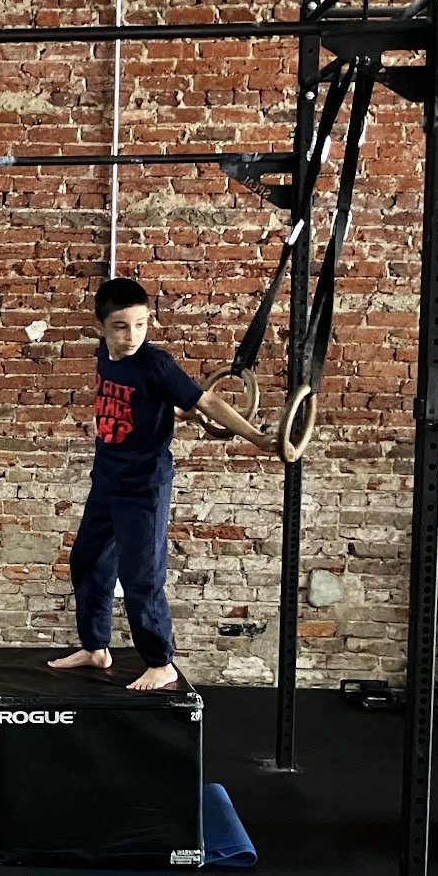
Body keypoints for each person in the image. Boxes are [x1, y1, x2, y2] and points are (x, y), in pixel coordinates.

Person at [49, 276, 277, 690]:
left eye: (140, 324)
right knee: (87, 561)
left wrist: (257, 438)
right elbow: (153, 400)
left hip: (144, 485)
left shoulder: (155, 362)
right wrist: (173, 409)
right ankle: (96, 648)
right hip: (107, 478)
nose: (132, 334)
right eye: (121, 326)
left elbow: (207, 400)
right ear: (100, 325)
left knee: (141, 576)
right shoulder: (105, 353)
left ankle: (161, 663)